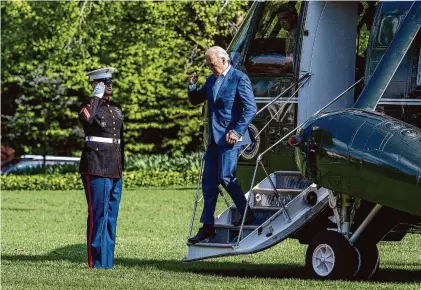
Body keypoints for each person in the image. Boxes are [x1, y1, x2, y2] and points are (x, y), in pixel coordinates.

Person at [187, 46, 257, 244]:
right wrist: (192, 87)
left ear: (223, 60)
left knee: (226, 176)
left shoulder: (239, 78)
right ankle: (207, 227)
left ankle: (246, 214)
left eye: (212, 64)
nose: (210, 68)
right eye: (208, 65)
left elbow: (250, 108)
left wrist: (237, 131)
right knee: (208, 183)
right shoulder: (211, 80)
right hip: (213, 141)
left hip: (231, 138)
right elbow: (196, 99)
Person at [78, 67, 125, 268]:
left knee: (111, 216)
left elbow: (121, 140)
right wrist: (95, 98)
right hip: (95, 166)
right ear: (95, 84)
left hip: (115, 167)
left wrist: (122, 166)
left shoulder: (116, 108)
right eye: (104, 83)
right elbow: (87, 122)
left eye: (110, 82)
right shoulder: (88, 106)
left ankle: (107, 262)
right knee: (98, 215)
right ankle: (95, 262)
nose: (109, 85)